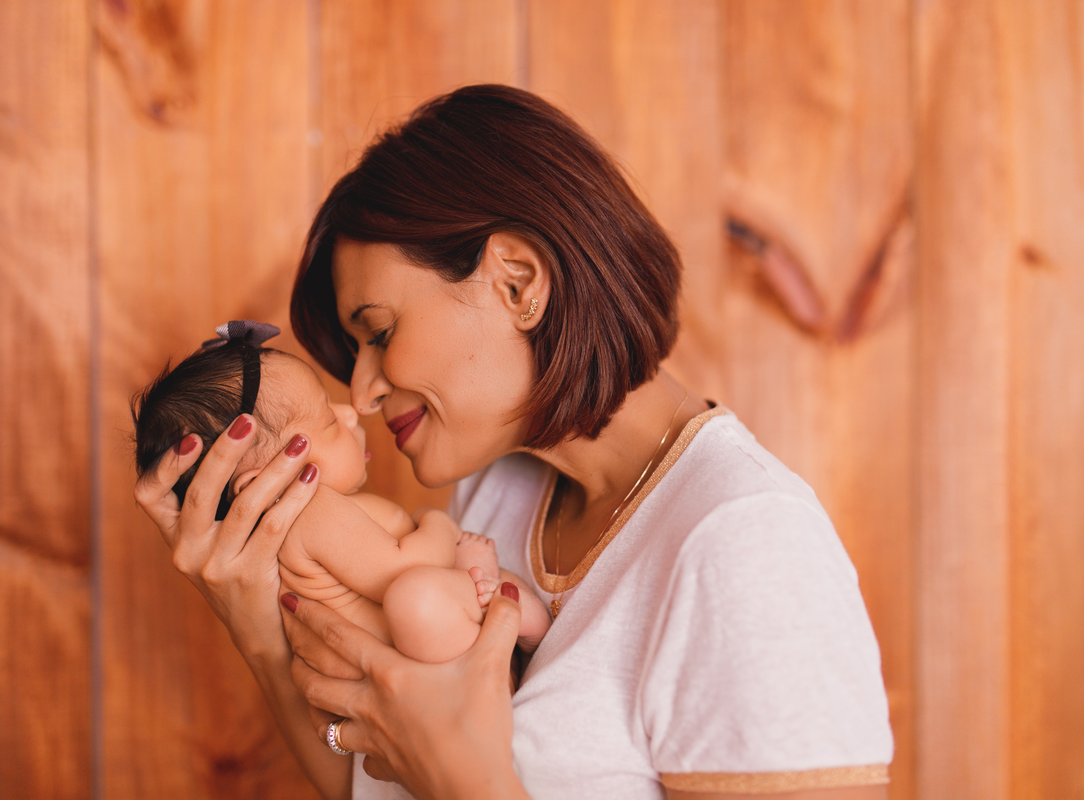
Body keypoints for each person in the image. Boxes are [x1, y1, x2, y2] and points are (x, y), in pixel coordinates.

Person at [135, 84, 893, 800]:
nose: (361, 395)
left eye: (380, 332)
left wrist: (464, 780)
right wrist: (258, 627)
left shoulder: (744, 542)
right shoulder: (499, 493)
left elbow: (443, 777)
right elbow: (376, 790)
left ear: (518, 282)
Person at [130, 320, 551, 665]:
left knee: (442, 587)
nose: (351, 411)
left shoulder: (296, 528)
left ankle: (499, 614)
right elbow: (411, 565)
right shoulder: (312, 513)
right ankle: (504, 617)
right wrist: (437, 522)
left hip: (421, 664)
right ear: (266, 483)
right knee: (418, 595)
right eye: (329, 422)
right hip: (427, 656)